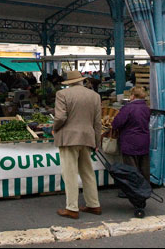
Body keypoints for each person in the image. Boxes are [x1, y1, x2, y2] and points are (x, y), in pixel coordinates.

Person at [52, 70, 102, 219]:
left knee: (70, 173)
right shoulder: (95, 96)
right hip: (87, 137)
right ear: (82, 80)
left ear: (69, 82)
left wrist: (54, 128)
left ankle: (72, 208)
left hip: (68, 138)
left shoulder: (62, 95)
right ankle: (94, 204)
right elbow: (97, 122)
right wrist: (97, 141)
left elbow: (60, 117)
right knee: (88, 172)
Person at [109, 85, 151, 183]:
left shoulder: (128, 108)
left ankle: (134, 189)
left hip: (130, 141)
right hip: (144, 140)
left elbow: (116, 123)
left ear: (133, 96)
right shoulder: (147, 108)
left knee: (131, 168)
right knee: (144, 167)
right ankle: (145, 188)